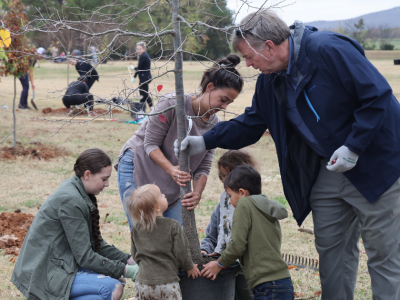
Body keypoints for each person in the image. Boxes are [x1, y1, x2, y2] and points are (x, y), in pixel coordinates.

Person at [177, 9, 400, 300]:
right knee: (332, 255)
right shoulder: (271, 81)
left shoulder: (329, 50)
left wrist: (354, 146)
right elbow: (253, 122)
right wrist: (204, 140)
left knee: (383, 253)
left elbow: (377, 96)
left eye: (249, 56)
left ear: (269, 46)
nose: (248, 64)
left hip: (376, 165)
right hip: (329, 170)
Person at [115, 54, 244, 229]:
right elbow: (150, 144)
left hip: (172, 180)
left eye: (229, 103)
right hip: (138, 164)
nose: (224, 107)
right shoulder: (173, 103)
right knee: (144, 232)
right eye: (223, 100)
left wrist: (196, 193)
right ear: (210, 87)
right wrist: (171, 169)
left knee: (174, 233)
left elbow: (204, 166)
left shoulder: (215, 125)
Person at [11, 148, 139, 300]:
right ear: (87, 175)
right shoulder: (71, 200)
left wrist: (130, 260)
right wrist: (129, 271)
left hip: (59, 262)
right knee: (112, 288)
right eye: (104, 179)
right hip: (43, 273)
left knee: (117, 278)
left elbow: (95, 245)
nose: (107, 184)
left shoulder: (78, 190)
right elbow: (85, 257)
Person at [200, 165, 293, 300]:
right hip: (283, 282)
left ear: (242, 193)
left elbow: (237, 244)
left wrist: (220, 264)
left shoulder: (244, 204)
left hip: (267, 286)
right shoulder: (264, 206)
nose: (230, 202)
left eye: (230, 196)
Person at [200, 150, 256, 300]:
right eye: (222, 176)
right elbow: (212, 236)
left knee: (247, 295)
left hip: (247, 268)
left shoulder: (253, 205)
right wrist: (204, 250)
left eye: (228, 176)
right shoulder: (223, 203)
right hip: (225, 266)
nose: (225, 181)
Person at [130, 184, 200, 300]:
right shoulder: (172, 225)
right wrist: (190, 267)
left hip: (142, 283)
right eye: (161, 195)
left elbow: (135, 254)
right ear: (157, 207)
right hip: (167, 283)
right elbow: (182, 251)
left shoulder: (136, 229)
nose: (164, 195)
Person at [134, 41, 153, 110]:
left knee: (144, 93)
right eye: (137, 49)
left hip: (144, 77)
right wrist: (134, 68)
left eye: (140, 49)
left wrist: (134, 77)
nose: (138, 50)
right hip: (145, 77)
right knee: (142, 93)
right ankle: (141, 109)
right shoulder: (145, 55)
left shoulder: (143, 56)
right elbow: (141, 67)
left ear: (144, 49)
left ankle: (151, 107)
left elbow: (139, 69)